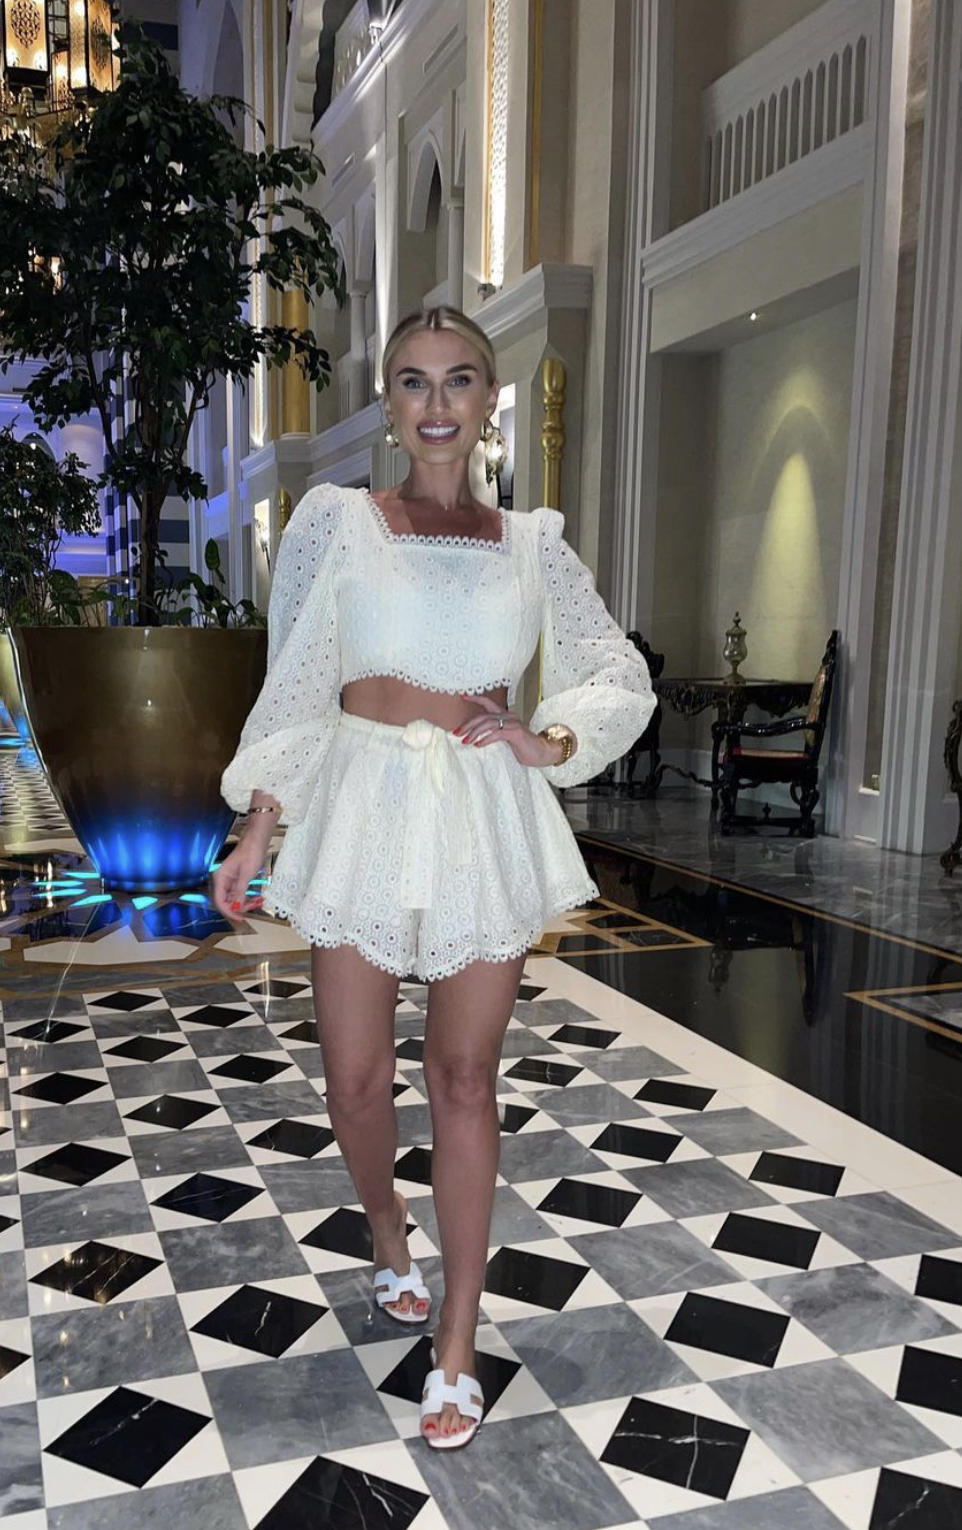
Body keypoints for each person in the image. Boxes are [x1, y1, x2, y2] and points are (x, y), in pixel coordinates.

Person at [214, 306, 655, 1450]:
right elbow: (299, 676)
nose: (437, 403)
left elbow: (614, 668)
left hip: (478, 816)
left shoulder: (533, 542)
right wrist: (260, 822)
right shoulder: (338, 522)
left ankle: (456, 1339)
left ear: (488, 400)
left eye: (459, 380)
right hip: (360, 803)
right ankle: (385, 1227)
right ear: (390, 405)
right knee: (356, 1081)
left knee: (463, 1080)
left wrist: (548, 741)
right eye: (413, 382)